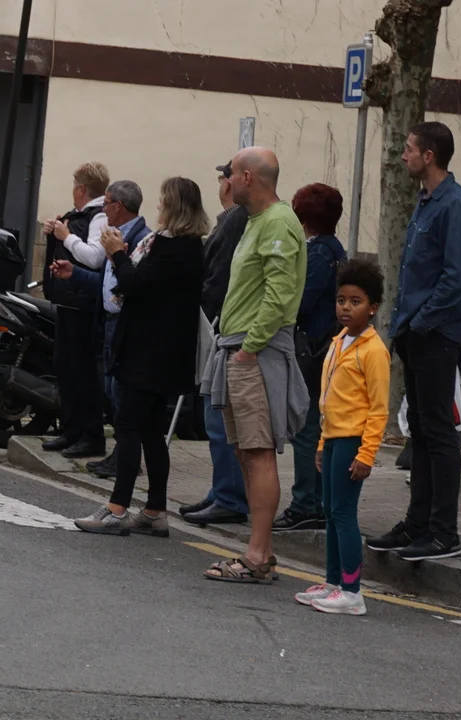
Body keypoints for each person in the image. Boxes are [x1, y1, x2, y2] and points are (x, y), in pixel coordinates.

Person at [59, 177, 206, 536]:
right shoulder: (182, 246)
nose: (158, 207)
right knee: (151, 430)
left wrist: (117, 253)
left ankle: (117, 508)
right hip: (160, 351)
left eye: (163, 201)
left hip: (150, 351)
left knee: (128, 426)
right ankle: (155, 509)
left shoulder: (174, 249)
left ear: (175, 207)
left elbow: (135, 285)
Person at [368, 121, 461, 561]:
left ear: (428, 156)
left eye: (409, 149)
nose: (404, 156)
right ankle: (418, 525)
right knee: (421, 432)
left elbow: (456, 279)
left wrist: (421, 323)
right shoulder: (425, 200)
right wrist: (405, 327)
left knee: (438, 433)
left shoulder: (457, 205)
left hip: (435, 334)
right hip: (415, 332)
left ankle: (443, 533)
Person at [201, 146, 309, 584]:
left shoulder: (278, 222)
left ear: (247, 177)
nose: (226, 180)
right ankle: (257, 551)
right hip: (242, 348)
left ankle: (258, 555)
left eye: (231, 173)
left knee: (259, 451)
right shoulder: (255, 221)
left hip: (255, 351)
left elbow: (279, 294)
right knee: (247, 450)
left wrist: (249, 348)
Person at [295, 259, 390, 616]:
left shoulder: (373, 351)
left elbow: (378, 409)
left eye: (356, 301)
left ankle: (352, 591)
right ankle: (333, 582)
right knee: (329, 511)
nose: (346, 308)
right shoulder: (339, 341)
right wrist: (322, 443)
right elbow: (328, 400)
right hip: (333, 438)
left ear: (373, 307)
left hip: (353, 442)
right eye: (341, 300)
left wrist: (367, 454)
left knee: (344, 513)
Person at [59, 180, 152, 478]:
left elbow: (132, 285)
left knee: (121, 394)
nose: (103, 207)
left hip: (127, 327)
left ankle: (126, 459)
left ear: (118, 207)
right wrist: (75, 274)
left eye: (107, 202)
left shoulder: (142, 240)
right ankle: (121, 455)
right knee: (112, 391)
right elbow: (107, 284)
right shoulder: (115, 235)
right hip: (110, 323)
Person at [274, 184, 347, 533]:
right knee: (317, 427)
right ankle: (317, 502)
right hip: (324, 348)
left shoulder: (318, 253)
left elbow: (301, 301)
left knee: (306, 428)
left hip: (312, 349)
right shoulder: (334, 249)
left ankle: (306, 504)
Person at [180, 161, 250, 526]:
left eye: (226, 177)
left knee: (219, 413)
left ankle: (229, 495)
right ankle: (222, 489)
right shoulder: (231, 219)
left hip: (220, 328)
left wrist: (204, 316)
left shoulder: (235, 220)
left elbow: (217, 280)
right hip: (220, 326)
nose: (222, 183)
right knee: (215, 412)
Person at [41, 162, 112, 460]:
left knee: (83, 371)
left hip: (84, 305)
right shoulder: (78, 215)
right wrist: (52, 233)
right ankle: (70, 430)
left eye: (74, 186)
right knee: (66, 368)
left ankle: (91, 435)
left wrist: (65, 236)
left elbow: (94, 257)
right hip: (68, 302)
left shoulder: (99, 217)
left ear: (82, 188)